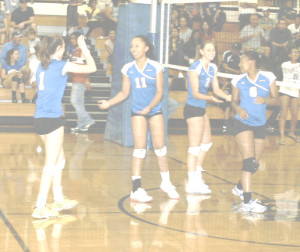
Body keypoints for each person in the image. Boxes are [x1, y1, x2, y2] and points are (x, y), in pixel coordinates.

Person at [98, 35, 179, 202]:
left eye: (137, 46)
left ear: (146, 48)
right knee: (139, 148)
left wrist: (149, 108)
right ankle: (136, 188)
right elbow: (124, 93)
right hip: (138, 112)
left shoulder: (156, 67)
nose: (133, 49)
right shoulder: (128, 68)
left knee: (160, 148)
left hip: (153, 110)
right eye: (131, 46)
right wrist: (108, 103)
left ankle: (166, 183)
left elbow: (159, 92)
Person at [31, 35, 96, 219]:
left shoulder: (41, 65)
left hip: (40, 118)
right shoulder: (61, 65)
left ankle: (58, 198)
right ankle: (40, 206)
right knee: (50, 165)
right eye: (64, 47)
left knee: (60, 160)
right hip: (52, 118)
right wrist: (84, 47)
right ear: (59, 47)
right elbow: (92, 67)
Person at [231, 51, 279, 213]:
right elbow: (233, 101)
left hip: (259, 124)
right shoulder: (238, 80)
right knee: (249, 161)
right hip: (241, 123)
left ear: (251, 61)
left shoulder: (268, 77)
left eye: (241, 61)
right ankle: (247, 202)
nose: (239, 64)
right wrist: (238, 108)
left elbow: (277, 100)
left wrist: (266, 100)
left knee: (255, 164)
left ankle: (239, 187)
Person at [183, 41, 231, 194]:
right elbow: (196, 93)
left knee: (207, 143)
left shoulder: (213, 68)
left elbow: (216, 89)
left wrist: (228, 97)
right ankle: (191, 182)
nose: (212, 52)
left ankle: (197, 174)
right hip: (192, 109)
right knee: (195, 147)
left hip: (201, 109)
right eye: (208, 49)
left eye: (213, 50)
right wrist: (211, 99)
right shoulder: (195, 68)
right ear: (202, 51)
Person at [68, 32, 95, 133]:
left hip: (81, 80)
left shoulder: (83, 50)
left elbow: (88, 65)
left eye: (74, 38)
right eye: (71, 39)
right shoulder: (76, 50)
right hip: (76, 79)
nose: (72, 40)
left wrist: (87, 80)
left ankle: (88, 120)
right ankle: (80, 125)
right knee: (79, 103)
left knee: (74, 101)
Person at [278, 47, 300, 145]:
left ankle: (291, 132)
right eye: (293, 52)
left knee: (295, 114)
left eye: (297, 52)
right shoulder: (285, 64)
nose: (296, 54)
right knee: (284, 113)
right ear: (289, 55)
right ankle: (282, 137)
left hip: (295, 91)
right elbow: (292, 68)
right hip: (285, 90)